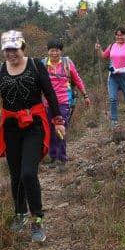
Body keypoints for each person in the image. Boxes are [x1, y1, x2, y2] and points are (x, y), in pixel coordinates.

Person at [0, 30, 62, 243]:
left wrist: (58, 120)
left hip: (34, 126)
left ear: (22, 47)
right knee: (15, 175)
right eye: (7, 50)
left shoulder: (35, 65)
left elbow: (50, 93)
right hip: (11, 128)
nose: (10, 53)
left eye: (14, 49)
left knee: (27, 174)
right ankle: (20, 213)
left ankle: (38, 220)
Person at [41, 39, 90, 171]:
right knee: (51, 130)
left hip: (64, 101)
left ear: (60, 51)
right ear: (48, 51)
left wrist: (85, 95)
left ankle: (62, 157)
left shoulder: (67, 64)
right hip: (47, 103)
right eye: (52, 50)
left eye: (57, 50)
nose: (54, 53)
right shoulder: (43, 64)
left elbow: (77, 79)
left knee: (60, 128)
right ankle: (53, 157)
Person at [94, 24, 125, 128]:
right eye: (117, 35)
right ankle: (114, 120)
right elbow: (103, 56)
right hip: (113, 76)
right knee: (112, 98)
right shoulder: (112, 46)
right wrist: (98, 49)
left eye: (121, 35)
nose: (119, 37)